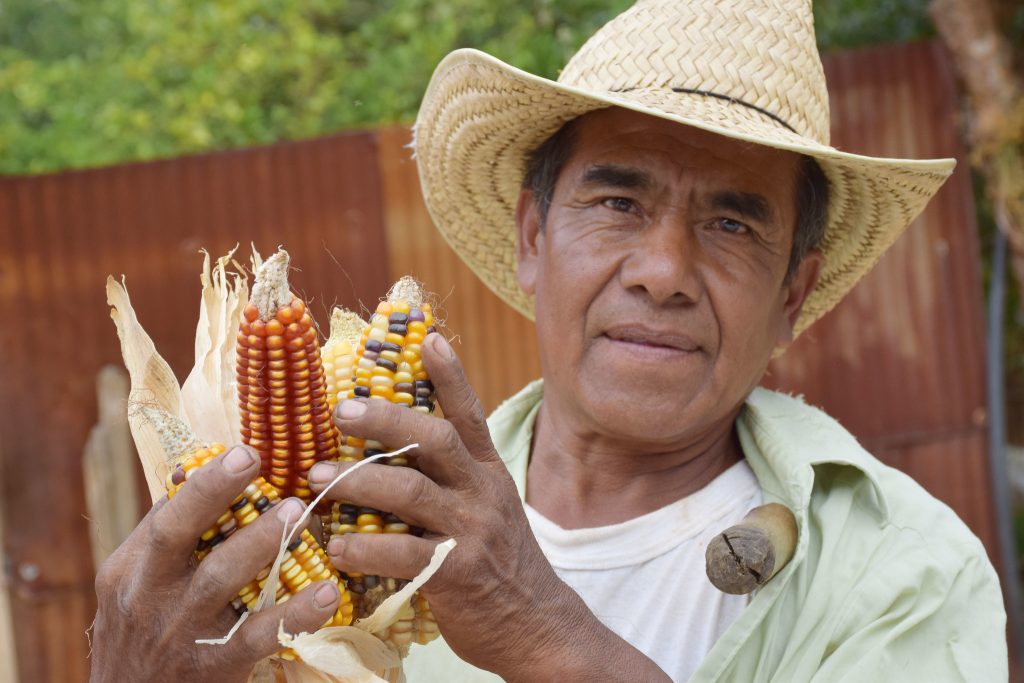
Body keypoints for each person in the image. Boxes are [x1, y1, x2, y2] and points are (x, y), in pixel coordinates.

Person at [90, 0, 1008, 681]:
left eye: (732, 225)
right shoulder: (344, 519)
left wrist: (545, 634)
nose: (663, 270)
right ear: (534, 239)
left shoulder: (903, 572)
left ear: (793, 296)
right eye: (618, 201)